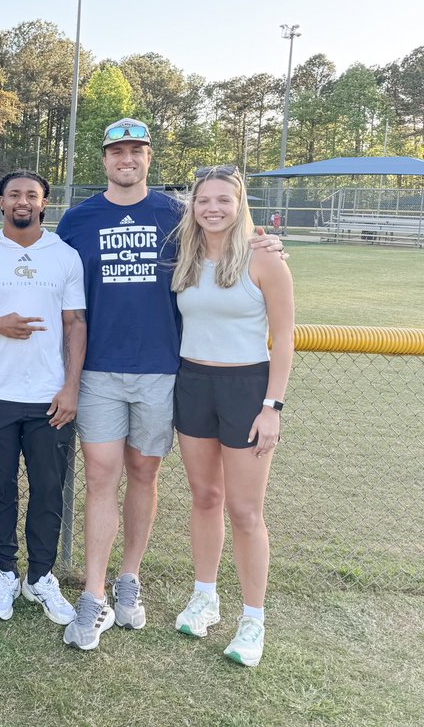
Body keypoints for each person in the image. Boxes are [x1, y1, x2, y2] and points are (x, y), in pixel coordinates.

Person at [51, 118, 285, 651]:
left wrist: (265, 242)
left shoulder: (177, 215)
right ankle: (94, 594)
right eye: (116, 151)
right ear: (105, 159)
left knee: (144, 473)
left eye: (136, 150)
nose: (125, 159)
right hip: (99, 370)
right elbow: (49, 271)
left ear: (149, 157)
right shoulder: (79, 219)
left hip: (163, 369)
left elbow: (225, 233)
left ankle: (128, 580)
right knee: (101, 475)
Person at [0, 170, 86, 627]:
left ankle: (41, 577)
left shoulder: (64, 256)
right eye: (13, 195)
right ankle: (4, 572)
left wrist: (70, 387)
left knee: (48, 491)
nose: (22, 201)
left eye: (32, 194)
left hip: (49, 397)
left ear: (44, 203)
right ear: (0, 203)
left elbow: (75, 324)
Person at [170, 166, 293, 667]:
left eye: (224, 199)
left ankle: (253, 621)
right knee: (205, 497)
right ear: (193, 206)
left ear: (240, 204)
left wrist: (272, 407)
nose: (213, 208)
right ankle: (205, 597)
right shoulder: (184, 255)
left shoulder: (265, 259)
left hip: (247, 388)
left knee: (245, 512)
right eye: (204, 200)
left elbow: (284, 338)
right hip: (192, 383)